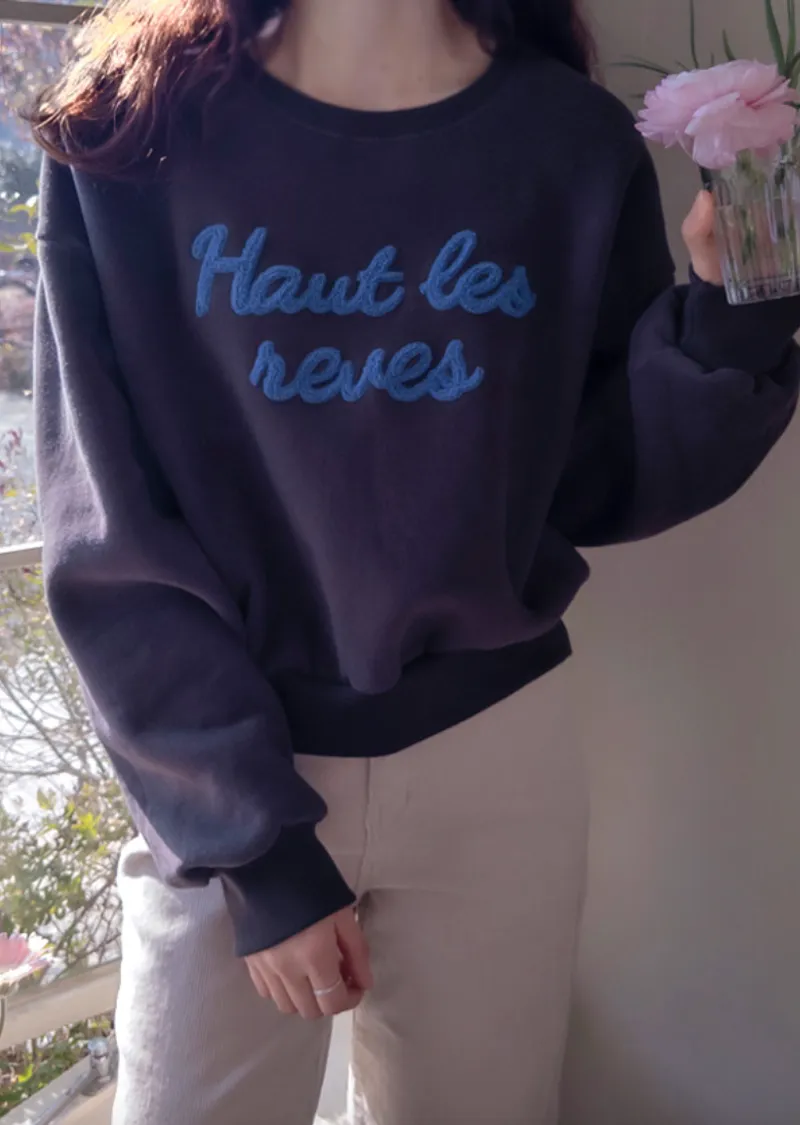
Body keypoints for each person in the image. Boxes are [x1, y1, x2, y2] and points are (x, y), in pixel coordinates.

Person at [29, 0, 800, 1122]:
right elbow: (106, 527)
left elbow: (596, 478)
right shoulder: (127, 129)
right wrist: (255, 844)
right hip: (226, 772)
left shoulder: (568, 142)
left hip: (496, 759)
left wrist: (736, 315)